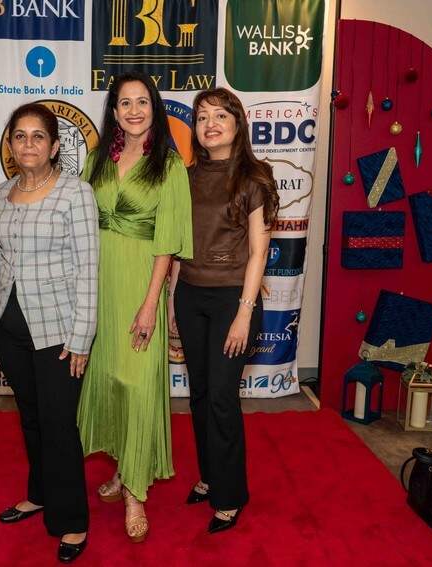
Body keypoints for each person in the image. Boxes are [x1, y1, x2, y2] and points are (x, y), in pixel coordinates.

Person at [0, 103, 99, 563]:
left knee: (59, 424)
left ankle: (72, 520)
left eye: (38, 136)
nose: (29, 144)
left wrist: (82, 337)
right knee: (30, 416)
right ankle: (41, 494)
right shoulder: (2, 193)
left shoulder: (75, 192)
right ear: (10, 145)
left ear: (55, 145)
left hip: (59, 330)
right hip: (10, 326)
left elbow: (88, 269)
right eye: (20, 136)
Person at [76, 70, 192, 544]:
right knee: (108, 381)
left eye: (142, 101)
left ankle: (135, 493)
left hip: (142, 282)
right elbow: (79, 223)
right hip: (98, 283)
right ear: (114, 111)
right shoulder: (96, 159)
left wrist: (151, 305)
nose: (134, 110)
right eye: (125, 102)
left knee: (138, 386)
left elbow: (168, 242)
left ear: (154, 107)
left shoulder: (170, 164)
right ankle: (124, 469)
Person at [169, 87, 279, 534]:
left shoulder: (255, 178)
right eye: (202, 117)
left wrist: (243, 313)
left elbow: (259, 252)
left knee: (221, 397)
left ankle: (230, 495)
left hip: (234, 298)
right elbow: (178, 246)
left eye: (219, 116)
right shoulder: (185, 177)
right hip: (190, 296)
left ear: (237, 124)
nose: (209, 124)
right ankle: (210, 475)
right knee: (198, 395)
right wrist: (173, 300)